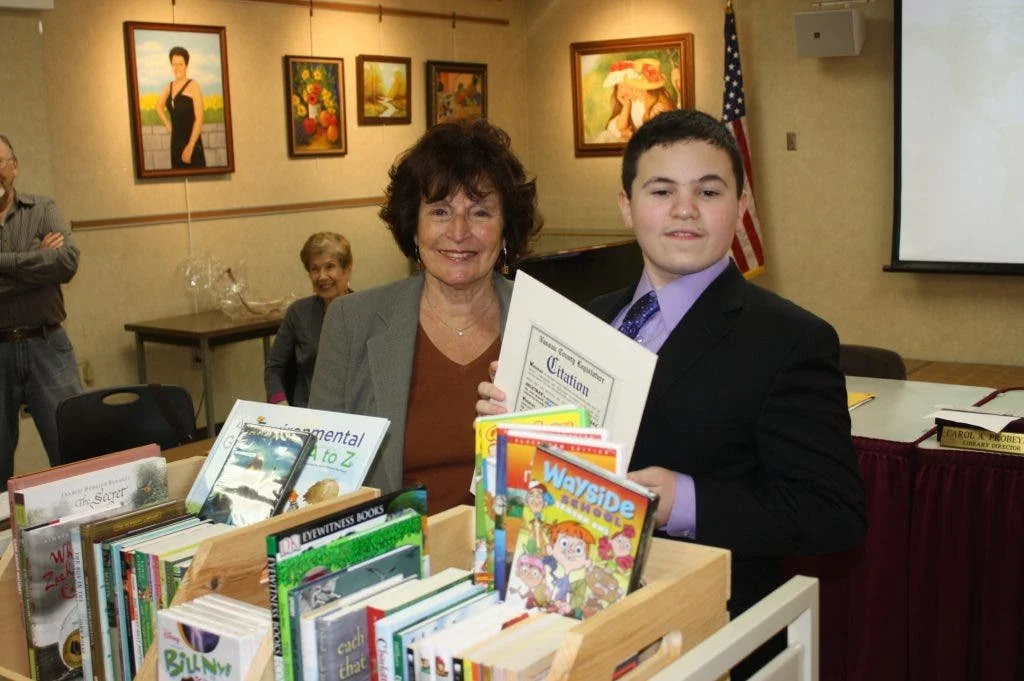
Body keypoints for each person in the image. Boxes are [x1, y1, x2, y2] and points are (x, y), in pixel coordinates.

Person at [477, 110, 866, 678]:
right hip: (562, 605)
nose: (685, 209)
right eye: (662, 190)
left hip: (702, 630)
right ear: (627, 206)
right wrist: (510, 426)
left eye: (708, 191)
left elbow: (834, 514)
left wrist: (683, 500)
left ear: (738, 205)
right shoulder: (583, 321)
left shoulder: (792, 340)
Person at [309, 120, 542, 512]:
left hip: (517, 555)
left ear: (505, 232)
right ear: (414, 229)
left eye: (481, 212)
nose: (459, 231)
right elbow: (321, 478)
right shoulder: (351, 322)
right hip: (393, 557)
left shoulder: (547, 326)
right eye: (440, 210)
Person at [0, 134, 83, 487]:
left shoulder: (43, 209)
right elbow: (49, 265)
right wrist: (37, 260)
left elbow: (66, 262)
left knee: (73, 449)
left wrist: (6, 265)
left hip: (47, 346)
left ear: (14, 167)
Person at [264, 232, 353, 408]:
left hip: (353, 412)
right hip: (308, 411)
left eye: (330, 267)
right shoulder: (298, 313)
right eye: (315, 269)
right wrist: (280, 404)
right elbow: (274, 367)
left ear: (347, 269)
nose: (322, 276)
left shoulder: (363, 311)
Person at [599, 58, 678, 143]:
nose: (622, 91)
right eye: (619, 87)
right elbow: (618, 127)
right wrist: (626, 106)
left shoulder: (654, 105)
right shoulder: (633, 103)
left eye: (626, 86)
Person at [155, 46, 206, 168]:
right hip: (175, 142)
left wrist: (191, 145)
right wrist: (167, 123)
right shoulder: (169, 86)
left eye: (180, 64)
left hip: (191, 141)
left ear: (186, 65)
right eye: (174, 64)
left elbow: (200, 118)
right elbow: (158, 106)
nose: (177, 68)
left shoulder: (193, 85)